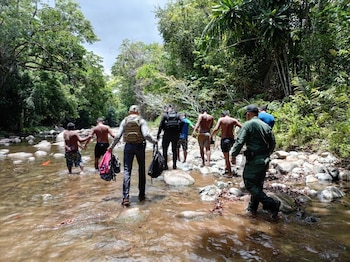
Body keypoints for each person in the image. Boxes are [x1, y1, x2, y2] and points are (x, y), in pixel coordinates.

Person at [230, 104, 280, 219]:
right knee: (258, 184)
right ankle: (252, 208)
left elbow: (240, 141)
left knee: (249, 183)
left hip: (254, 160)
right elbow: (272, 143)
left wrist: (233, 155)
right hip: (264, 159)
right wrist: (267, 154)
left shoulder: (248, 125)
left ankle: (272, 204)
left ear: (248, 114)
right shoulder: (266, 126)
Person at [107, 105, 157, 207]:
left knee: (127, 171)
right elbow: (146, 135)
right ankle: (142, 195)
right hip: (140, 146)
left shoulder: (124, 121)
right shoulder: (141, 121)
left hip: (128, 146)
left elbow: (117, 136)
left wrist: (111, 147)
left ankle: (125, 198)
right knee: (141, 169)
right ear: (138, 112)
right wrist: (154, 142)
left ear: (129, 112)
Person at [211, 110, 242, 177]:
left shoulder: (221, 119)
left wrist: (211, 135)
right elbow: (242, 127)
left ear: (222, 115)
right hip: (231, 139)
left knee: (226, 157)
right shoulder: (233, 120)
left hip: (224, 139)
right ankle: (227, 167)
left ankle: (230, 173)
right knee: (229, 153)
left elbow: (216, 128)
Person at [157, 105, 183, 170]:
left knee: (165, 150)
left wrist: (158, 134)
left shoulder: (165, 115)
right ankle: (174, 165)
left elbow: (160, 125)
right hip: (175, 135)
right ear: (173, 109)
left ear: (167, 109)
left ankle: (165, 165)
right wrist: (179, 130)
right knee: (174, 150)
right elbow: (183, 121)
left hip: (167, 134)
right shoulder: (177, 115)